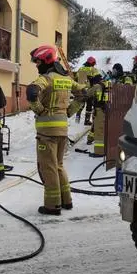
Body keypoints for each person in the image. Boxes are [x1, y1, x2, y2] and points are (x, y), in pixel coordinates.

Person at [27, 45, 86, 215]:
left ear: (46, 60)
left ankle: (52, 205)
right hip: (62, 131)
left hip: (47, 132)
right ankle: (66, 200)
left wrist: (39, 110)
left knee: (49, 167)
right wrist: (69, 111)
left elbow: (32, 91)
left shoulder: (47, 78)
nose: (37, 66)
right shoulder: (66, 79)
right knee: (59, 165)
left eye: (37, 62)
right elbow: (83, 93)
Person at [76, 56, 100, 125]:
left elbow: (78, 79)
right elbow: (97, 79)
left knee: (81, 105)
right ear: (93, 63)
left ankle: (77, 120)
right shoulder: (93, 69)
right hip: (90, 90)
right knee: (89, 105)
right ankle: (87, 121)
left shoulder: (81, 69)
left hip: (81, 89)